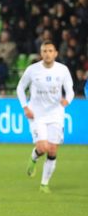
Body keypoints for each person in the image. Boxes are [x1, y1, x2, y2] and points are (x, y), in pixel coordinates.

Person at [16, 41, 74, 193]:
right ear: (41, 54)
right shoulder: (32, 70)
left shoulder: (62, 70)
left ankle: (44, 184)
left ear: (55, 53)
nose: (47, 54)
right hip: (37, 114)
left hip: (56, 113)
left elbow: (70, 90)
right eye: (44, 51)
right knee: (43, 147)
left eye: (50, 51)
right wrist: (25, 106)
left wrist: (67, 100)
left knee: (53, 149)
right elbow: (20, 88)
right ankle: (34, 157)